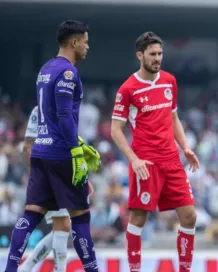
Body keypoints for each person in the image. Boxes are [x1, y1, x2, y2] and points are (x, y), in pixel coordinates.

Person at [5, 20, 101, 272]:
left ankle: (11, 269)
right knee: (80, 218)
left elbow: (46, 114)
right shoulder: (68, 73)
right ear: (74, 42)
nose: (87, 46)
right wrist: (76, 151)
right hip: (61, 154)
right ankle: (92, 269)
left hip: (41, 152)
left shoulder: (45, 69)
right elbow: (63, 115)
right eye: (86, 41)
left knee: (31, 214)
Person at [110, 31, 200, 272]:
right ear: (140, 55)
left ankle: (185, 269)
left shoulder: (169, 80)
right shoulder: (127, 89)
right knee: (139, 219)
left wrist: (186, 147)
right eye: (152, 54)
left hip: (171, 160)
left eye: (160, 53)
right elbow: (115, 131)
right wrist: (134, 160)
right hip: (146, 163)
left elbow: (174, 118)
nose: (157, 58)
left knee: (190, 216)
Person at [18, 106, 95, 272]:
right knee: (63, 225)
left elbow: (71, 147)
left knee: (63, 227)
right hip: (48, 174)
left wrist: (82, 178)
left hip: (62, 175)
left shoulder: (64, 110)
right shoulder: (40, 111)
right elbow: (27, 147)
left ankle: (25, 268)